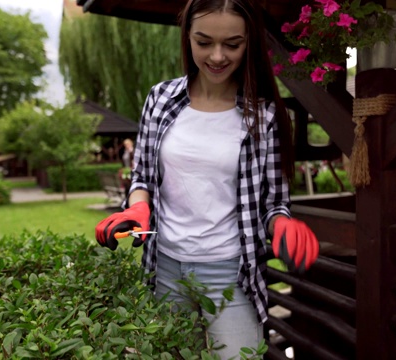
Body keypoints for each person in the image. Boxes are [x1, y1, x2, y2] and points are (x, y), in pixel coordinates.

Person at [95, 0, 319, 357]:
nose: (217, 56)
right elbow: (142, 177)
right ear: (187, 37)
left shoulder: (264, 115)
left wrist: (282, 226)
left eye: (232, 44)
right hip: (165, 268)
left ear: (250, 42)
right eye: (204, 42)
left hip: (232, 272)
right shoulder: (160, 99)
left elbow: (273, 203)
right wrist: (138, 209)